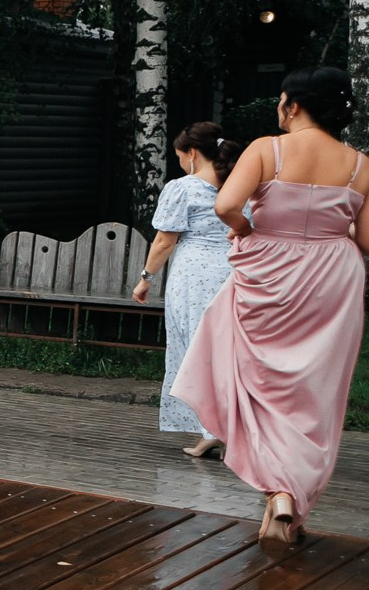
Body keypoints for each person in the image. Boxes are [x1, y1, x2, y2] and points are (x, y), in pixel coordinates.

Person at [173, 67, 369, 543]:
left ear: (294, 105)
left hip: (268, 268)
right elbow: (365, 239)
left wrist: (247, 230)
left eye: (281, 99)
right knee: (313, 394)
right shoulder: (361, 164)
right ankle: (287, 499)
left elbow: (225, 207)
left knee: (257, 381)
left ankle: (278, 496)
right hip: (333, 277)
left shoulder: (267, 149)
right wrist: (327, 235)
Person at [134, 122, 236, 453]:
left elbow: (165, 241)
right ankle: (233, 428)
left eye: (179, 156)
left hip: (195, 278)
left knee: (195, 350)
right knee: (229, 354)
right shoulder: (240, 185)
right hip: (237, 274)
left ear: (192, 154)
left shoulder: (183, 188)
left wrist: (145, 278)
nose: (179, 162)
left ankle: (212, 429)